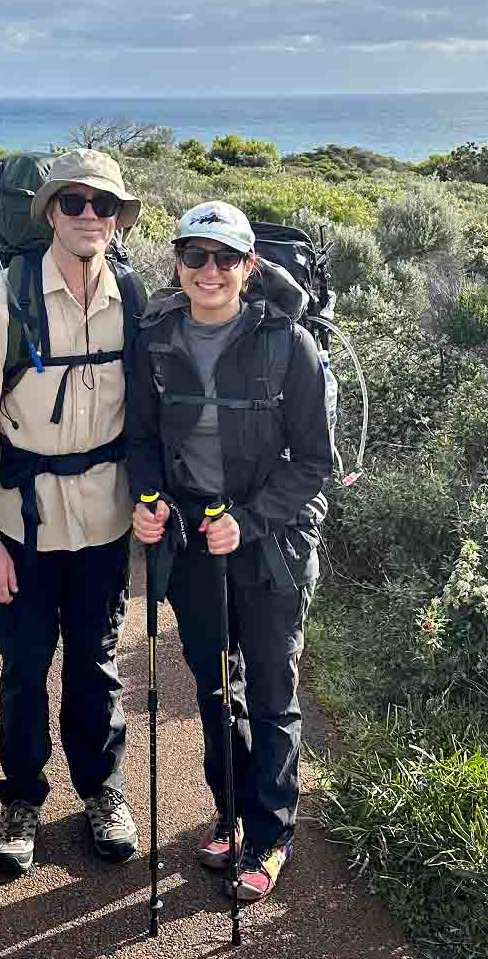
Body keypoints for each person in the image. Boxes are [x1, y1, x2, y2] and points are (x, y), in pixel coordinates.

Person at [127, 201, 334, 902]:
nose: (209, 271)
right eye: (195, 256)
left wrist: (249, 521)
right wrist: (150, 498)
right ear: (178, 264)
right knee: (218, 690)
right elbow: (143, 440)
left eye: (225, 258)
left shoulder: (288, 346)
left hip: (270, 546)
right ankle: (233, 812)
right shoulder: (156, 340)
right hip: (193, 545)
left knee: (272, 692)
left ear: (249, 267)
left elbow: (313, 464)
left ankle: (272, 834)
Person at [0, 148, 144, 875]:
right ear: (49, 212)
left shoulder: (134, 296)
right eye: (74, 203)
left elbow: (149, 416)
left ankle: (103, 792)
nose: (90, 216)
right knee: (25, 666)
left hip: (105, 521)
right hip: (18, 525)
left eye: (104, 205)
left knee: (95, 667)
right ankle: (21, 802)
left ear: (120, 217)